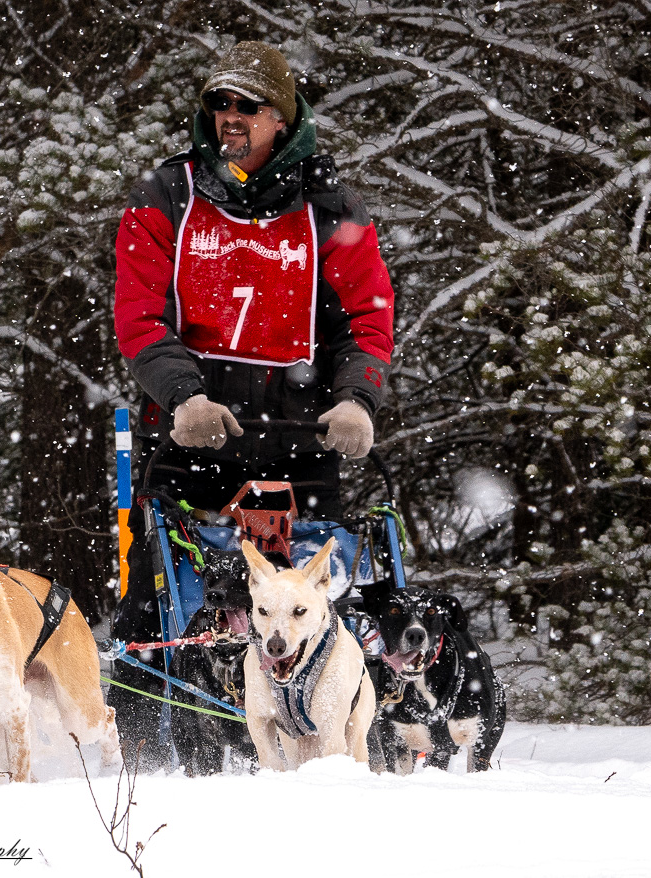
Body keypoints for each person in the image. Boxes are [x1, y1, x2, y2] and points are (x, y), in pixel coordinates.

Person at [108, 40, 397, 753]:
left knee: (332, 602)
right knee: (155, 604)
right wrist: (183, 395)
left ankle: (360, 741)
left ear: (282, 116)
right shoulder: (168, 195)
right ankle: (143, 765)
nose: (229, 117)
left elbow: (368, 316)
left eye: (247, 105)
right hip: (196, 436)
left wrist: (357, 396)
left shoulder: (331, 208)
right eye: (219, 103)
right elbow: (138, 315)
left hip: (302, 439)